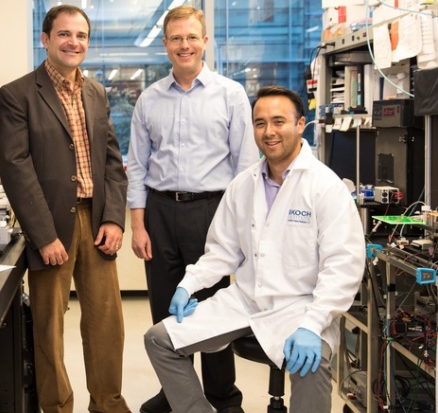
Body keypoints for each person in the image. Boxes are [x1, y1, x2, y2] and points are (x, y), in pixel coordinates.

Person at [143, 85, 366, 413]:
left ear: (300, 124)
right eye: (260, 123)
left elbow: (343, 266)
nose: (269, 132)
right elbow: (222, 250)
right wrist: (188, 285)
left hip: (301, 307)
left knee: (311, 361)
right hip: (246, 301)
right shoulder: (243, 184)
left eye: (279, 121)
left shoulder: (324, 186)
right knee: (159, 340)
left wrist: (313, 322)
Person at [0, 4, 130, 413]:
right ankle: (56, 406)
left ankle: (107, 403)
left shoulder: (96, 92)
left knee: (107, 324)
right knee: (49, 327)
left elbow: (112, 161)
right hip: (51, 223)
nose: (74, 42)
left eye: (82, 35)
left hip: (96, 220)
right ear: (45, 39)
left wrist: (113, 218)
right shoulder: (17, 94)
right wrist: (43, 234)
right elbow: (15, 167)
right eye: (65, 34)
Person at [126, 5, 258, 413]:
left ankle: (222, 396)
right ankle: (174, 394)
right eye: (176, 38)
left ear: (205, 42)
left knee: (215, 305)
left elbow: (246, 167)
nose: (185, 45)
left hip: (212, 211)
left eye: (191, 37)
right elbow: (137, 166)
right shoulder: (149, 99)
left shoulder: (230, 94)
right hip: (160, 213)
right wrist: (138, 226)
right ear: (166, 45)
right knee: (167, 306)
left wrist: (241, 227)